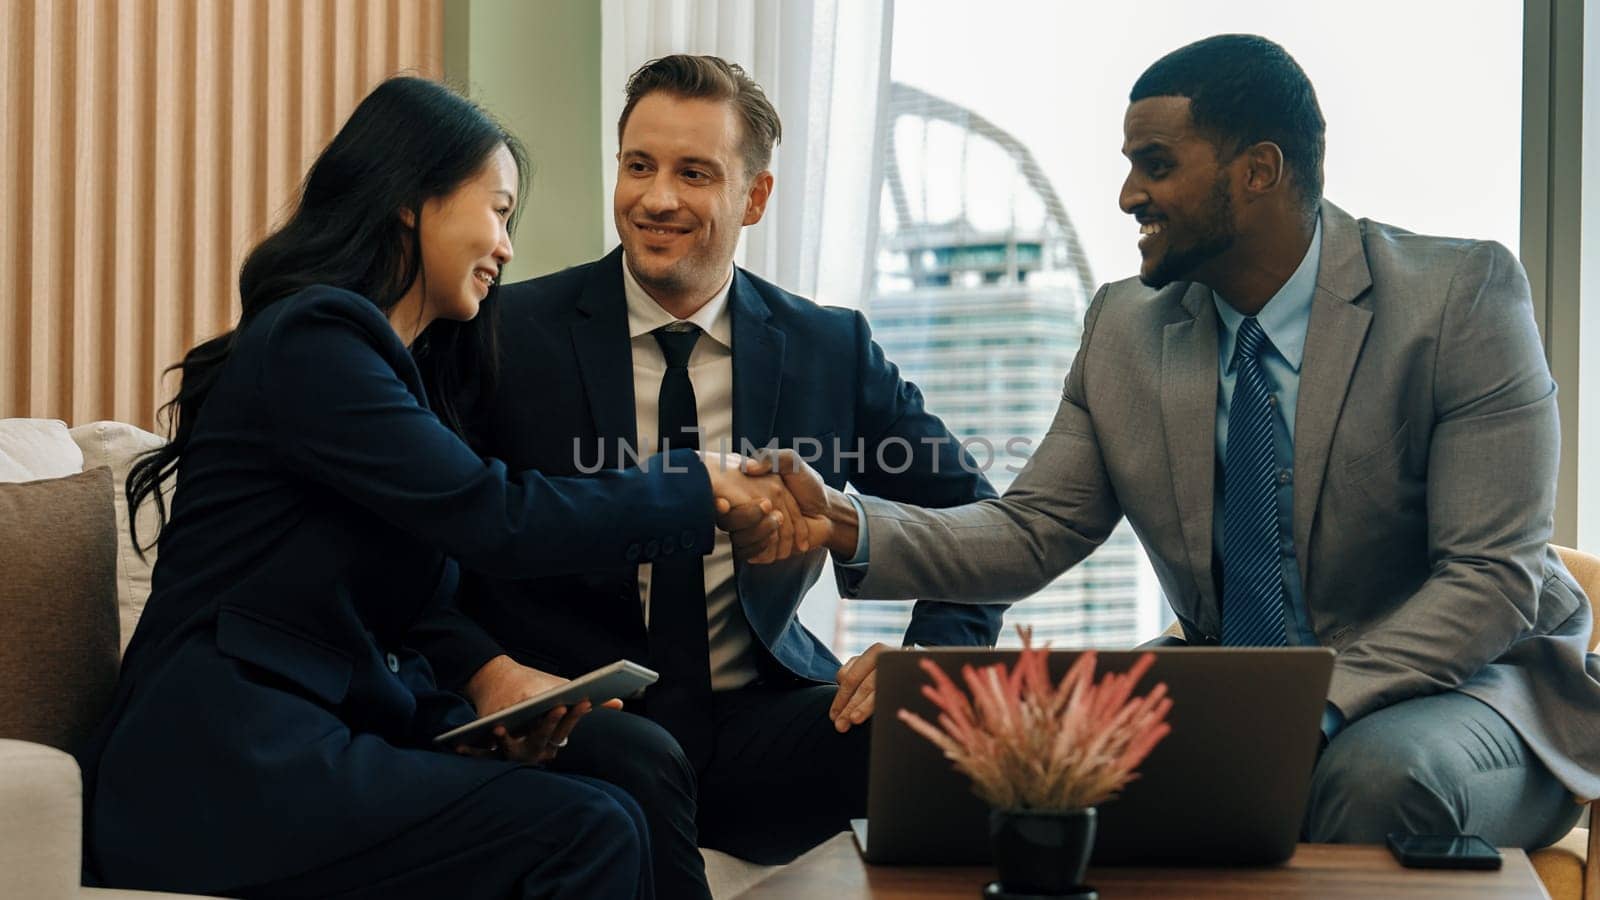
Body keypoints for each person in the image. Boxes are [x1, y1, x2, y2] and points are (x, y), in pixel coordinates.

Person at [742, 34, 1599, 848]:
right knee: (1012, 765)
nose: (1127, 197)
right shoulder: (1126, 327)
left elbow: (1494, 577)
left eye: (1156, 166)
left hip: (1481, 688)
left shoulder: (1459, 300)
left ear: (1259, 170)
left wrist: (1309, 705)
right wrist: (847, 523)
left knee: (1373, 778)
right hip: (1240, 685)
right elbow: (1034, 528)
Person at [78, 76, 797, 900]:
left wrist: (481, 727)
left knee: (609, 801)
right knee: (590, 829)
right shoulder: (315, 339)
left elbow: (382, 627)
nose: (508, 246)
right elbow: (495, 516)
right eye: (496, 210)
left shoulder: (392, 375)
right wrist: (692, 485)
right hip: (215, 765)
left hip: (304, 744)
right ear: (413, 202)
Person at [411, 54, 1007, 895]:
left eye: (695, 173)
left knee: (930, 734)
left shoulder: (829, 348)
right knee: (639, 764)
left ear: (754, 197)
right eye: (639, 166)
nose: (657, 199)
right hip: (584, 715)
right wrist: (485, 669)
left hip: (767, 712)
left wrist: (927, 663)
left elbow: (977, 518)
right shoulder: (504, 331)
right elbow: (421, 543)